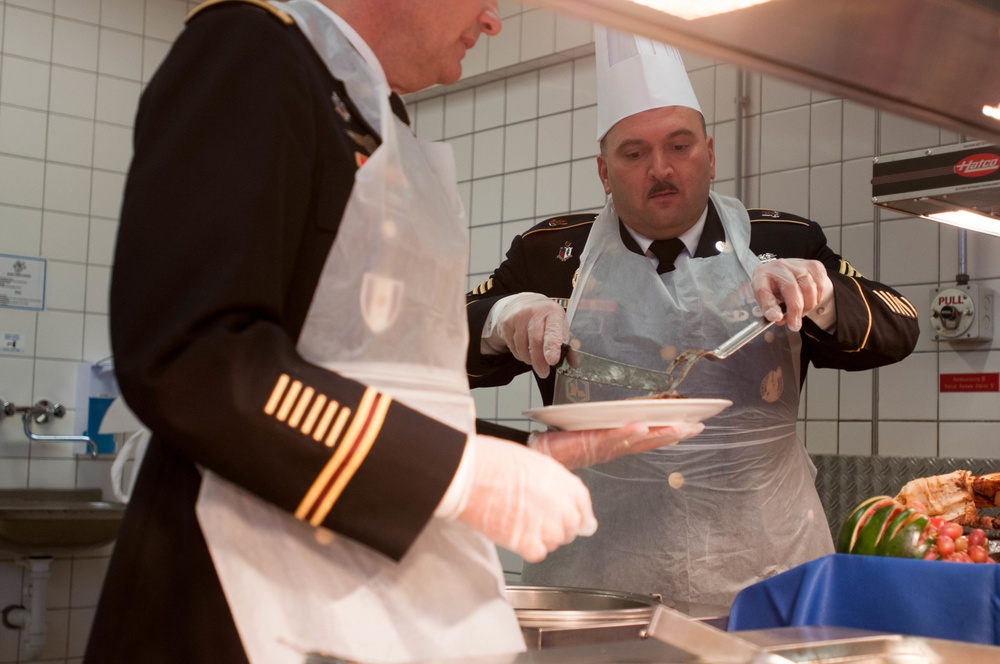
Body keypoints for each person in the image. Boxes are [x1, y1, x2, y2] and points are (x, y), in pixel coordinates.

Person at [84, 3, 702, 663]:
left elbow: (354, 372)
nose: (494, 21)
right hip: (234, 601)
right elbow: (194, 360)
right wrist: (460, 472)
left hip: (354, 592)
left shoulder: (377, 116)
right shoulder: (252, 50)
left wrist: (524, 454)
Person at [466, 27, 920, 606]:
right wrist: (501, 316)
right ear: (604, 172)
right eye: (634, 153)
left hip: (769, 575)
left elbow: (899, 326)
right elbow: (439, 348)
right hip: (597, 584)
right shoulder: (548, 254)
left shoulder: (780, 238)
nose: (661, 168)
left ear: (710, 154)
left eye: (680, 146)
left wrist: (822, 295)